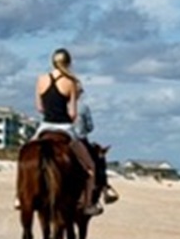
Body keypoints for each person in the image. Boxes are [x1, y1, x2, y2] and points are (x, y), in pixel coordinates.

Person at [31, 48, 103, 217]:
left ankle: (19, 197)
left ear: (52, 62)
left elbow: (39, 108)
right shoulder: (71, 82)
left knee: (25, 156)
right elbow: (72, 114)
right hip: (64, 128)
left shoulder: (41, 79)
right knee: (90, 166)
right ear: (68, 63)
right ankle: (87, 204)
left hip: (44, 126)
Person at [74, 83, 119, 206]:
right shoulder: (83, 107)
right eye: (80, 92)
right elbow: (90, 127)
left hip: (60, 136)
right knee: (98, 160)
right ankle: (104, 189)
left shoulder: (60, 105)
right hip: (79, 139)